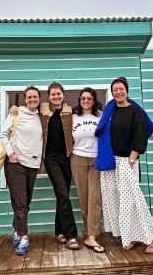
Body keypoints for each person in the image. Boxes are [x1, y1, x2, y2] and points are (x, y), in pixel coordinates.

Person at [95, 77, 153, 253]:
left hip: (127, 159)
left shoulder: (135, 111)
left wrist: (132, 159)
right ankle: (130, 236)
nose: (118, 92)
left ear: (126, 90)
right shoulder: (111, 111)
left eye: (121, 89)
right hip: (112, 161)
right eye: (115, 89)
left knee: (133, 198)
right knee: (118, 200)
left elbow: (140, 136)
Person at [10, 82, 79, 250]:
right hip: (50, 159)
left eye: (58, 94)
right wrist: (14, 108)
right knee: (63, 194)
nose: (56, 97)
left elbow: (87, 111)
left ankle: (59, 231)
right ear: (49, 97)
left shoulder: (70, 111)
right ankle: (71, 235)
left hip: (67, 158)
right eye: (53, 94)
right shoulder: (43, 109)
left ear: (63, 95)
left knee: (62, 195)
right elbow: (29, 106)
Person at [0, 86, 43, 255]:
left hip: (32, 165)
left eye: (35, 97)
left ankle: (17, 229)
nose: (32, 99)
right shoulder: (17, 113)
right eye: (29, 97)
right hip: (15, 164)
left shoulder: (40, 116)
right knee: (21, 203)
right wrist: (11, 154)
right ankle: (24, 237)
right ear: (25, 99)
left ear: (39, 99)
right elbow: (3, 135)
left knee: (25, 202)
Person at [71, 87, 104, 253]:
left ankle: (92, 236)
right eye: (83, 98)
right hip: (77, 159)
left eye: (89, 98)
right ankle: (89, 233)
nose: (85, 101)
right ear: (80, 100)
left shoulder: (100, 116)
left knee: (95, 198)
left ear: (93, 100)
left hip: (96, 159)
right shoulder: (72, 117)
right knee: (84, 199)